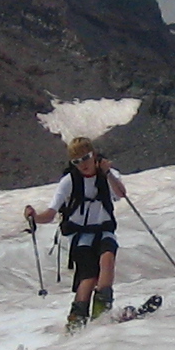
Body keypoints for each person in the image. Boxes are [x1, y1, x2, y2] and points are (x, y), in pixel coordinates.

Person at [25, 136, 127, 329]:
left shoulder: (109, 174)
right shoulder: (69, 181)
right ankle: (78, 318)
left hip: (104, 230)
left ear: (94, 154)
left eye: (86, 157)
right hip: (80, 236)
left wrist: (108, 174)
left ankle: (100, 313)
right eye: (77, 161)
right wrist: (35, 217)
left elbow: (121, 194)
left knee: (107, 261)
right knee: (88, 277)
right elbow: (50, 213)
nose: (83, 164)